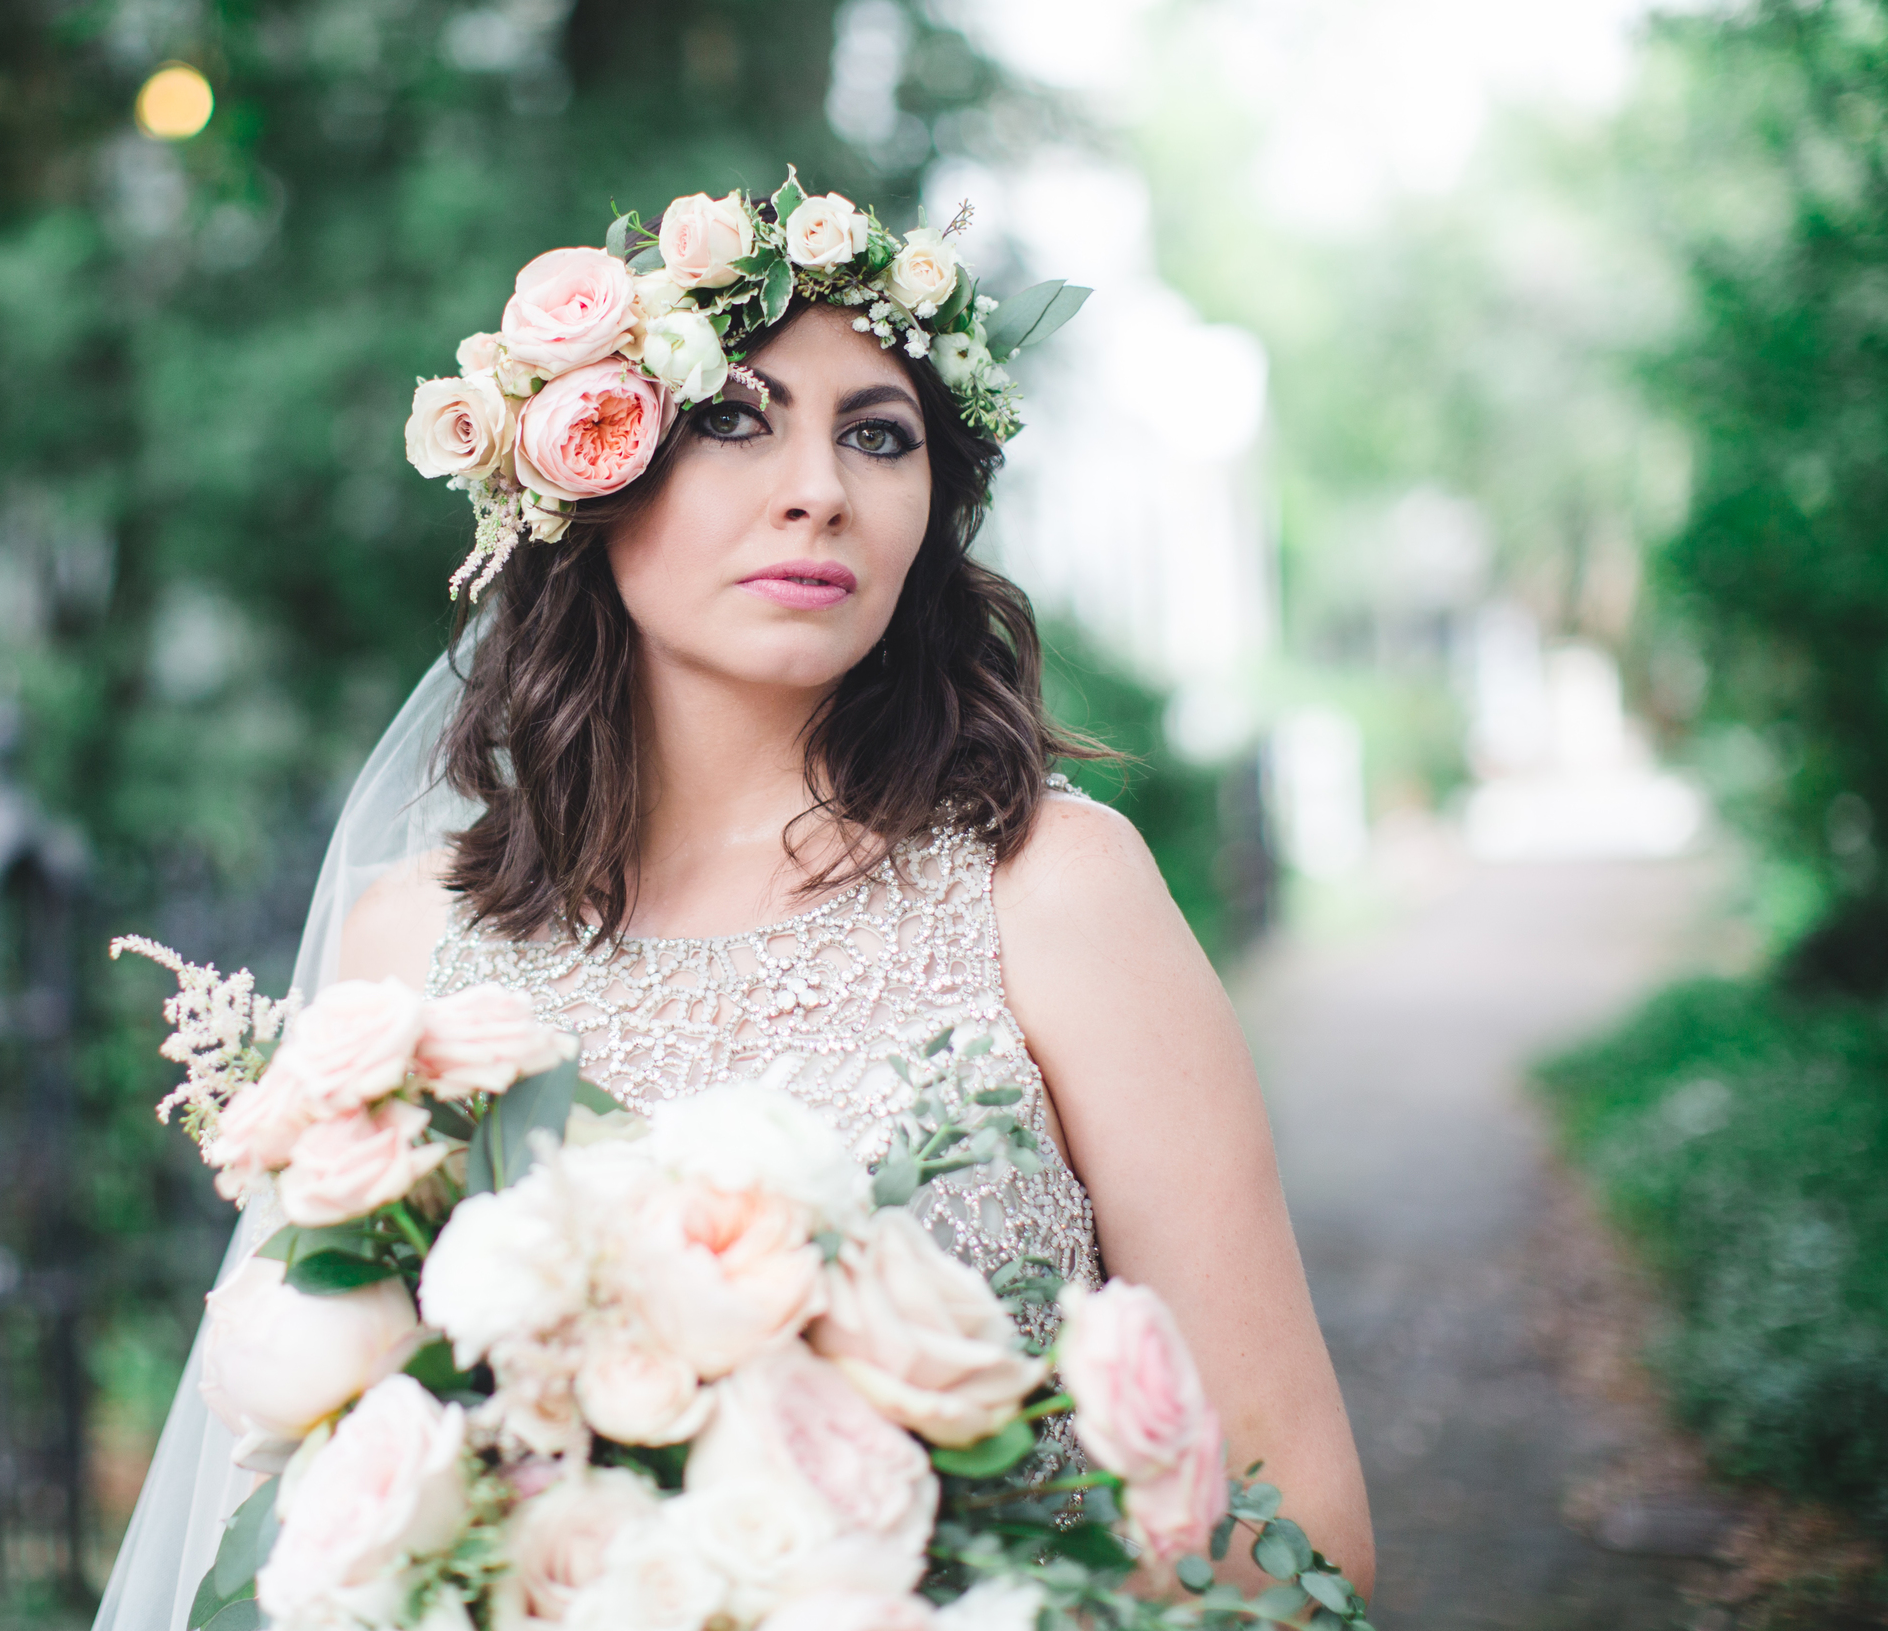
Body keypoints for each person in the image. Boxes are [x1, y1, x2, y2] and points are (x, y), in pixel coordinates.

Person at [96, 185, 1370, 1628]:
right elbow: (315, 1494)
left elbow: (1299, 1527)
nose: (819, 485)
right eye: (736, 418)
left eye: (878, 433)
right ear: (590, 469)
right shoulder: (411, 950)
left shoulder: (1054, 893)